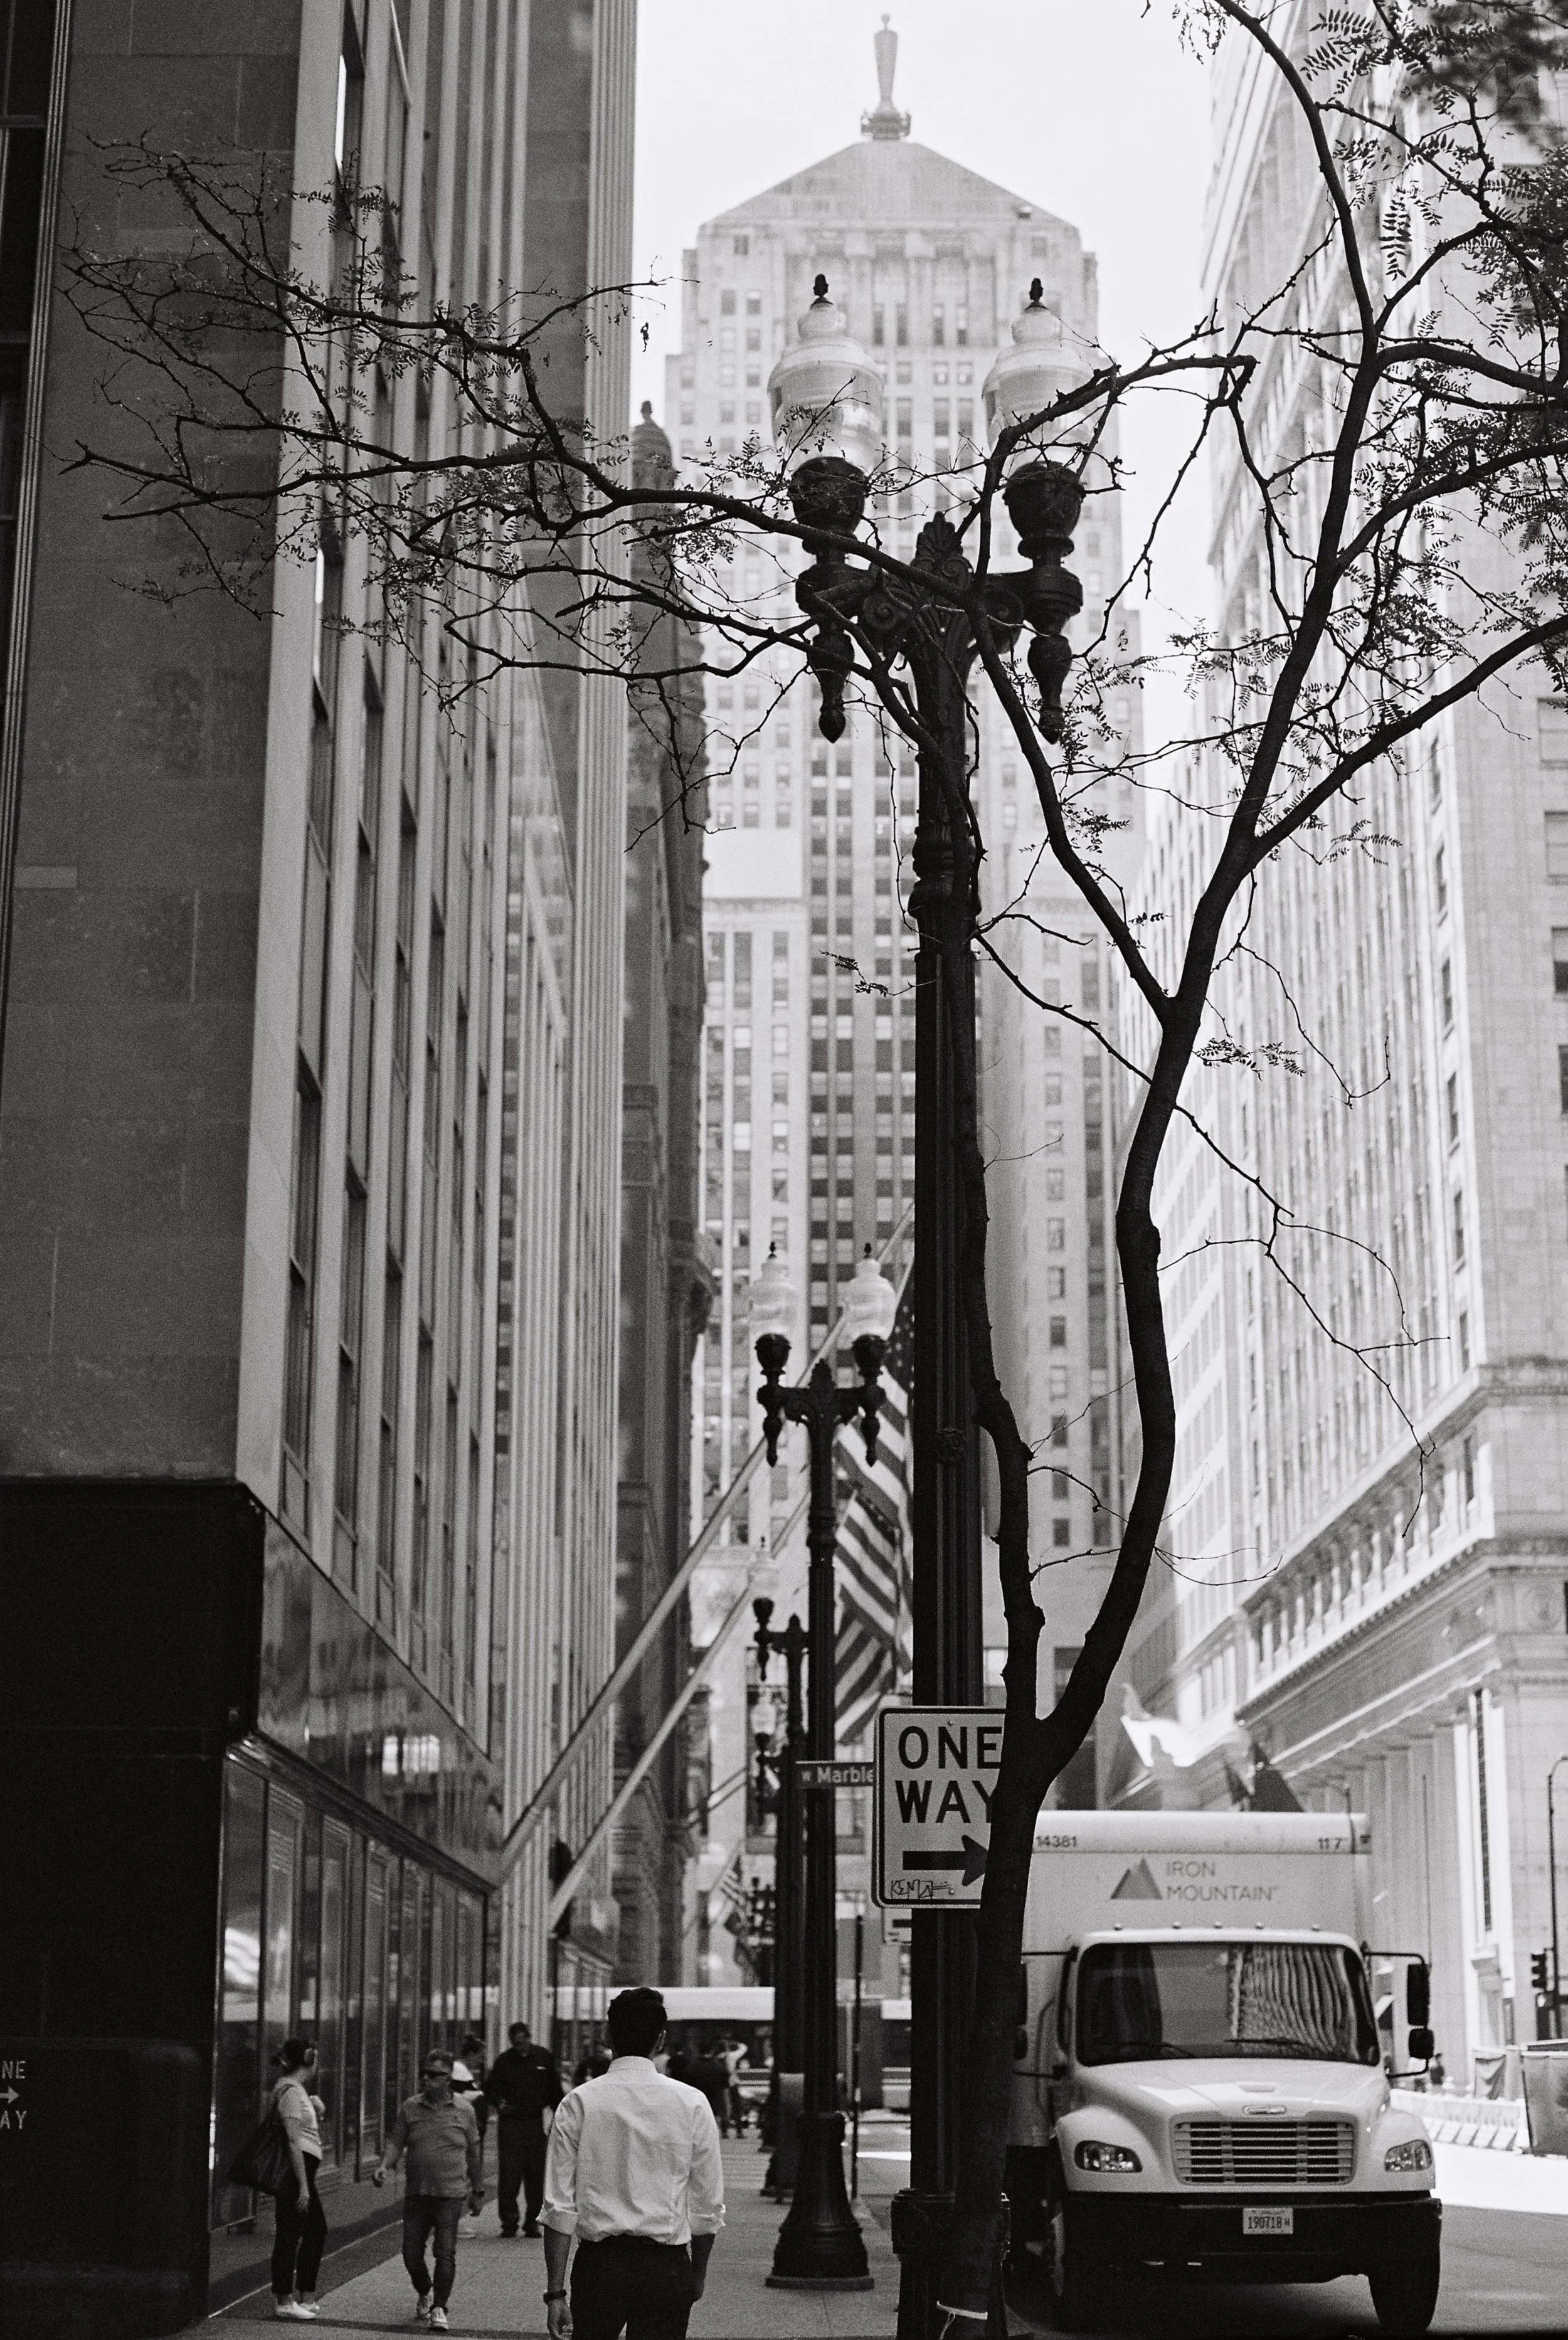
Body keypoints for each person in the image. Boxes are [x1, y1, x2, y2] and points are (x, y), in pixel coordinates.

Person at [541, 1985, 724, 2340]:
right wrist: (697, 2274)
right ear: (661, 2040)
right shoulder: (692, 2104)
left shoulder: (579, 2102)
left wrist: (555, 2292)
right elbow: (707, 2207)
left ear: (609, 2036)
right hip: (665, 2266)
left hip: (599, 2265)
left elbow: (558, 2207)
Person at [373, 2049, 484, 2332]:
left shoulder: (464, 2111)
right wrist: (385, 2166)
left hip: (451, 2194)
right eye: (425, 2073)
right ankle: (425, 2290)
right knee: (411, 2253)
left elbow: (473, 2152)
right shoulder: (411, 2107)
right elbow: (397, 2142)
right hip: (417, 2194)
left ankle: (439, 2308)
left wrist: (478, 2191)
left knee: (445, 2253)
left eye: (434, 2075)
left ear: (448, 2079)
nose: (427, 2079)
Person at [484, 2020, 563, 2238]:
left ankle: (532, 2222)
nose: (522, 2047)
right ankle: (509, 2223)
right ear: (512, 2042)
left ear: (529, 2037)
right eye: (517, 2044)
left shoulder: (543, 2058)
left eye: (524, 2041)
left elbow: (554, 2089)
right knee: (510, 2174)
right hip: (511, 2123)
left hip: (535, 2122)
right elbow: (490, 2088)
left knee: (535, 2175)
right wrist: (500, 2104)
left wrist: (561, 2115)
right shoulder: (505, 2062)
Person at [268, 2039, 328, 2321]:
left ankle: (305, 2295)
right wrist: (303, 2185)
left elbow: (302, 2132)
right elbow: (293, 2140)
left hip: (303, 2171)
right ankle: (284, 2300)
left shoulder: (297, 2091)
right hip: (297, 2172)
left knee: (314, 2229)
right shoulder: (290, 2091)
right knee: (290, 2234)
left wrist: (315, 2110)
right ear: (309, 2059)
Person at [719, 2037, 748, 2137]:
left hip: (722, 2084)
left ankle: (724, 2132)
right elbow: (744, 2048)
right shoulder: (731, 2056)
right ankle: (739, 2132)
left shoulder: (718, 2057)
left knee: (725, 2107)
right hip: (732, 2083)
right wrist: (736, 2043)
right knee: (737, 2107)